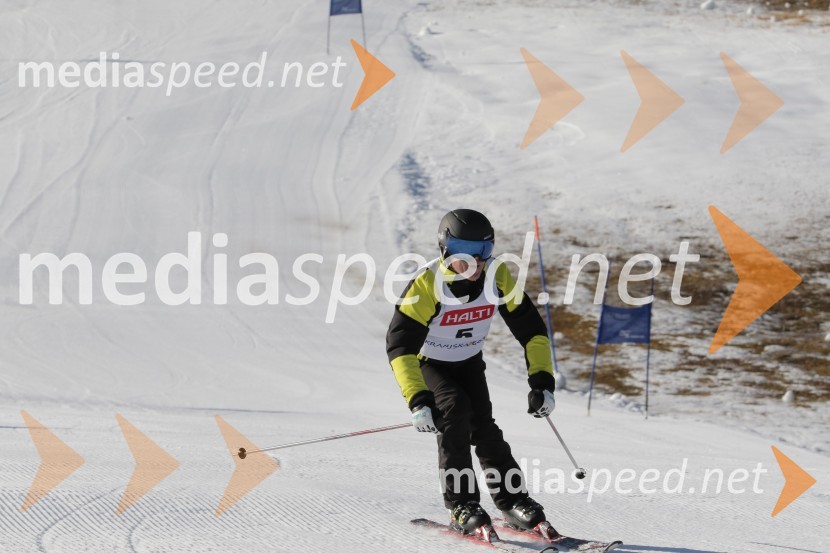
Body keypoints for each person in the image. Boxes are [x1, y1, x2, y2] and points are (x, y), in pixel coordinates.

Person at [386, 208, 557, 536]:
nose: (475, 263)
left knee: (485, 429)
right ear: (446, 250)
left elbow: (532, 331)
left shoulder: (497, 275)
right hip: (429, 364)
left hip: (468, 362)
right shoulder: (427, 284)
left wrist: (542, 382)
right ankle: (461, 505)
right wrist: (418, 400)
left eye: (483, 251)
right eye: (464, 252)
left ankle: (511, 501)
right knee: (454, 412)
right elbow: (400, 347)